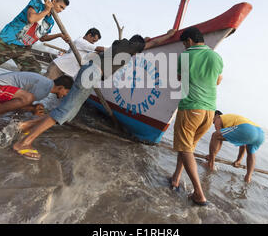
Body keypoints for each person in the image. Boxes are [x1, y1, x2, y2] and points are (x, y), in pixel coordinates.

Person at [12, 28, 177, 160]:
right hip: (92, 74)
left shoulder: (120, 44)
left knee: (69, 110)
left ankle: (26, 127)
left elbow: (144, 42)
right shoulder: (132, 47)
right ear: (138, 46)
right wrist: (169, 35)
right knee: (65, 111)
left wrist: (143, 41)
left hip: (88, 70)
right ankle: (24, 142)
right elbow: (154, 43)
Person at [169, 27, 223, 207]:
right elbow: (218, 80)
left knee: (185, 148)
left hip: (191, 107)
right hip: (209, 111)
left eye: (185, 43)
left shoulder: (185, 56)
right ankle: (176, 178)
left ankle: (199, 194)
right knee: (188, 147)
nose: (184, 47)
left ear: (189, 41)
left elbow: (179, 78)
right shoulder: (216, 57)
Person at [0, 72, 74, 125]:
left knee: (28, 100)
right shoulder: (44, 88)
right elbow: (24, 102)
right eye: (67, 92)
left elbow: (20, 103)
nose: (66, 95)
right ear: (60, 87)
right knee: (28, 98)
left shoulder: (46, 84)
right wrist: (33, 109)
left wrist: (32, 108)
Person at [206, 111, 265, 183]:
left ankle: (210, 163)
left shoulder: (219, 118)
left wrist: (212, 156)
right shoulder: (233, 121)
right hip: (260, 134)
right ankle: (248, 177)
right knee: (251, 152)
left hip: (247, 128)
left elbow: (218, 137)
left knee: (215, 135)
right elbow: (242, 144)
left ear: (217, 115)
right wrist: (238, 160)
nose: (214, 123)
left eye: (213, 121)